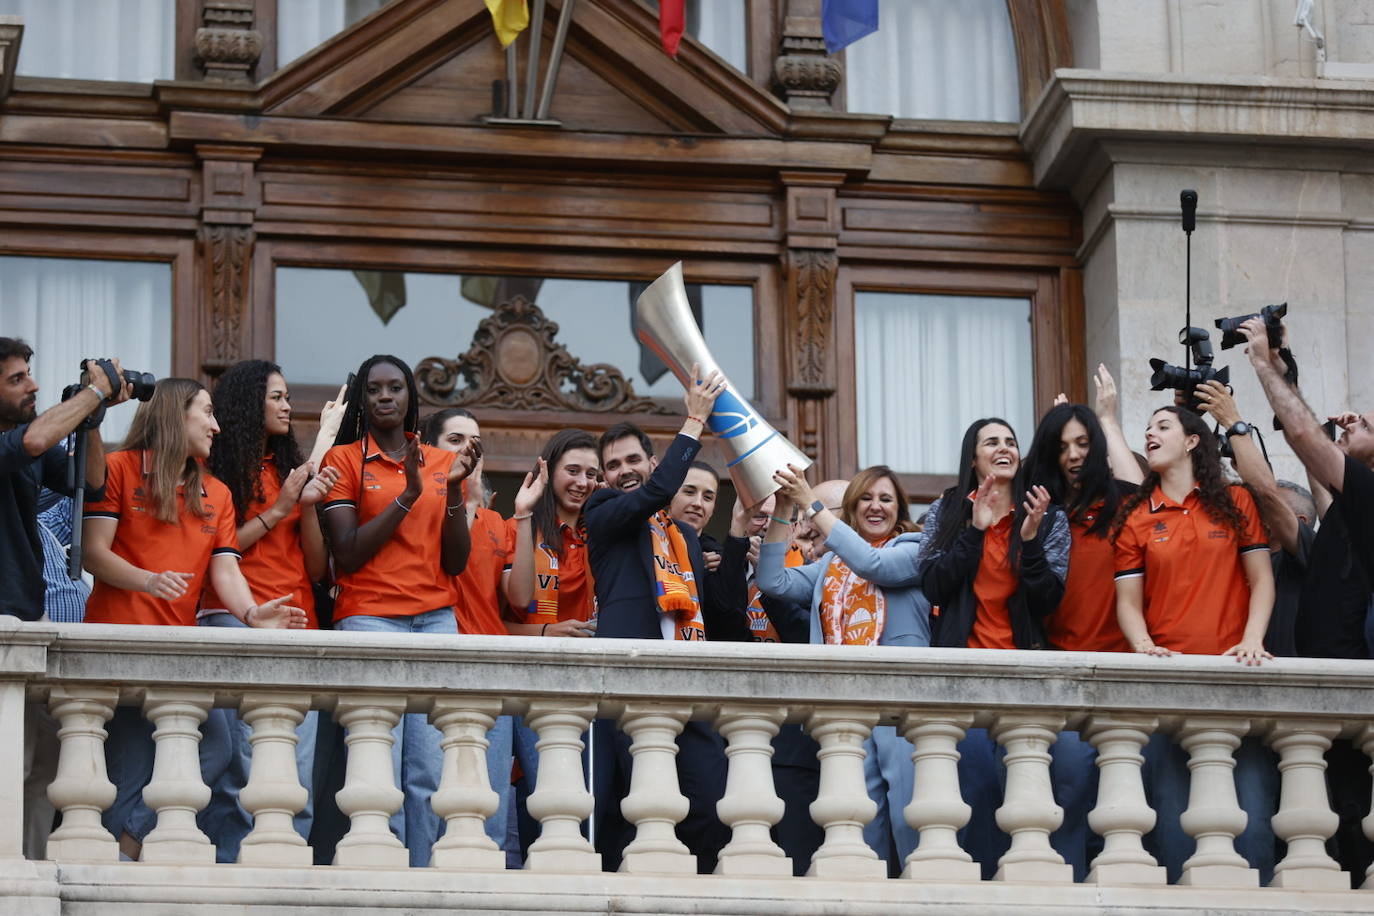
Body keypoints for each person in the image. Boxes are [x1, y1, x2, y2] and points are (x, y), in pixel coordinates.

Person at [81, 377, 307, 861]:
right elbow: (91, 553)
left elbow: (225, 567)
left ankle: (128, 844)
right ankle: (120, 869)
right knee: (132, 769)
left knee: (217, 749)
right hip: (117, 648)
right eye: (206, 412)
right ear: (173, 415)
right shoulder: (119, 469)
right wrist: (146, 581)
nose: (216, 425)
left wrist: (251, 613)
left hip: (178, 650)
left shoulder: (218, 494)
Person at [320, 354, 478, 866]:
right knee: (375, 762)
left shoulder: (438, 460)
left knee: (429, 767)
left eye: (395, 388)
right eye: (374, 389)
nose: (385, 397)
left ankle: (423, 878)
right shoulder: (343, 460)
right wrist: (409, 495)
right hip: (368, 616)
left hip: (436, 617)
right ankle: (377, 873)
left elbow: (455, 560)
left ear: (411, 397)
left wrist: (452, 489)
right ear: (363, 400)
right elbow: (347, 552)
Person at [1110, 404, 1276, 882]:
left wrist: (1252, 640)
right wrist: (1142, 644)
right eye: (1146, 428)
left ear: (1192, 441)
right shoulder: (1136, 515)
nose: (1150, 434)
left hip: (1236, 683)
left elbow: (1262, 580)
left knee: (1253, 823)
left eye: (1162, 426)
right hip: (1166, 688)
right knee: (1172, 821)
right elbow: (1127, 602)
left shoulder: (1236, 500)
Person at [584, 367, 729, 873]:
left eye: (632, 460)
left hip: (686, 683)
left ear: (650, 461)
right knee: (631, 813)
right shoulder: (602, 511)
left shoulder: (685, 537)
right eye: (612, 465)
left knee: (711, 805)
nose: (623, 471)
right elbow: (655, 492)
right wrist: (694, 420)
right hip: (628, 683)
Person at [202, 360, 345, 854]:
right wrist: (279, 509)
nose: (288, 406)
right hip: (237, 616)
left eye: (287, 397)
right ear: (248, 405)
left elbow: (313, 563)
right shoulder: (215, 467)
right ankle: (233, 874)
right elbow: (216, 553)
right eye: (277, 397)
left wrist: (305, 506)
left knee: (295, 770)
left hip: (298, 619)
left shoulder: (285, 465)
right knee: (241, 765)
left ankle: (286, 872)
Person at [757, 464, 929, 873]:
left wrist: (810, 503)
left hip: (900, 708)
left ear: (899, 508)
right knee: (862, 826)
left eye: (885, 499)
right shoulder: (831, 567)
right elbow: (772, 581)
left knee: (910, 818)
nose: (875, 507)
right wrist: (784, 512)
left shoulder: (914, 547)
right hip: (846, 710)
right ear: (851, 509)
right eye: (866, 499)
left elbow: (874, 565)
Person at [917, 416, 1068, 878]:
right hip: (963, 675)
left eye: (1010, 441)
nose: (1003, 448)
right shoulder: (946, 511)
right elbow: (933, 586)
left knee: (1029, 794)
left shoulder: (1047, 515)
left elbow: (1049, 599)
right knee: (976, 788)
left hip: (1026, 675)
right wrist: (976, 530)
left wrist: (1029, 542)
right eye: (991, 442)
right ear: (974, 456)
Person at [0, 338, 131, 859]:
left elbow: (92, 481)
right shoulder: (22, 442)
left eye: (29, 373)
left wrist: (92, 419)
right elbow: (31, 444)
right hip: (2, 629)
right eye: (16, 379)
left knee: (40, 771)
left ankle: (24, 878)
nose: (32, 384)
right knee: (10, 766)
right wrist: (94, 392)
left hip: (26, 620)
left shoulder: (28, 440)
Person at [1021, 368, 1143, 880]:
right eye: (1063, 446)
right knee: (1066, 802)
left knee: (1131, 817)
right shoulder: (1043, 516)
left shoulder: (1121, 507)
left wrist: (1108, 419)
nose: (1073, 455)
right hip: (1060, 678)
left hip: (1128, 678)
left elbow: (1139, 485)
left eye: (1083, 444)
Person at [420, 406, 520, 866]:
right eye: (455, 439)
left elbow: (515, 600)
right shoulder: (418, 508)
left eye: (474, 440)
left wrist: (523, 515)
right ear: (428, 449)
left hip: (490, 670)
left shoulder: (499, 523)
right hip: (433, 661)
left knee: (490, 798)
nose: (468, 449)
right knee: (427, 788)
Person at [504, 429, 600, 638]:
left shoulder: (600, 535)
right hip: (531, 660)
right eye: (573, 471)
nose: (583, 483)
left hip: (593, 657)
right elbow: (501, 617)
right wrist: (545, 631)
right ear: (549, 471)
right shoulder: (516, 527)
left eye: (591, 474)